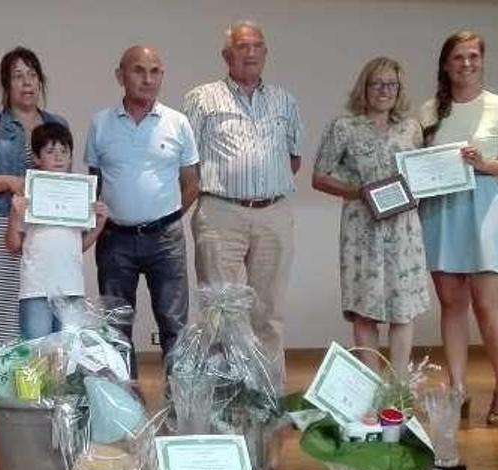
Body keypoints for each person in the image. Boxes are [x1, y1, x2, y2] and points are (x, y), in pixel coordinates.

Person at [182, 20, 304, 389]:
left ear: (265, 53)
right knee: (221, 311)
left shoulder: (285, 100)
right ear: (226, 55)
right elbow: (187, 160)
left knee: (269, 311)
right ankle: (224, 396)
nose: (250, 53)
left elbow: (293, 158)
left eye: (257, 46)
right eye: (242, 46)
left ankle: (266, 397)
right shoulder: (201, 98)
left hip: (274, 212)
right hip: (221, 211)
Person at [85, 46, 200, 375]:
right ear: (120, 75)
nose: (147, 79)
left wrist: (168, 218)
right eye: (138, 70)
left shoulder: (178, 123)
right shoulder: (100, 124)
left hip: (165, 240)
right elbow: (93, 182)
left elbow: (192, 183)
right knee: (116, 328)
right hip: (115, 240)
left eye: (155, 71)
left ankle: (179, 407)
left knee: (174, 325)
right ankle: (126, 407)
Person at [312, 57, 430, 377]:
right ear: (364, 87)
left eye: (391, 84)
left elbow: (423, 175)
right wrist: (358, 192)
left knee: (402, 312)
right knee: (365, 313)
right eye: (377, 83)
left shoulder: (412, 128)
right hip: (361, 229)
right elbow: (319, 177)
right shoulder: (344, 127)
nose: (384, 90)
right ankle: (372, 387)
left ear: (399, 89)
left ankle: (399, 388)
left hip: (403, 230)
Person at [0, 47, 68, 355]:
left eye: (32, 75)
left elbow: (66, 181)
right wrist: (10, 182)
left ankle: (45, 380)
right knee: (4, 306)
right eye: (18, 76)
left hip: (49, 228)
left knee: (47, 303)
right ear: (6, 85)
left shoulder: (56, 123)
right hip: (3, 222)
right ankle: (3, 381)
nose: (27, 83)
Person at [419, 31, 498, 424]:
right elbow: (416, 164)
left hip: (485, 213)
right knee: (451, 304)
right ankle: (459, 389)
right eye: (457, 58)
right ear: (445, 65)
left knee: (487, 306)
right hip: (441, 213)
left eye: (472, 56)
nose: (466, 64)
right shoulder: (429, 111)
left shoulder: (496, 107)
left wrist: (484, 165)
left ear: (481, 60)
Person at [5, 122, 107, 338]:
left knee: (68, 355)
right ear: (37, 158)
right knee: (36, 355)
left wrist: (99, 225)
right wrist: (15, 213)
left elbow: (79, 246)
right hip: (36, 289)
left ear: (71, 156)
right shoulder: (28, 193)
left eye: (64, 151)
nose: (59, 157)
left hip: (71, 288)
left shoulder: (80, 195)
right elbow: (13, 245)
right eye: (50, 151)